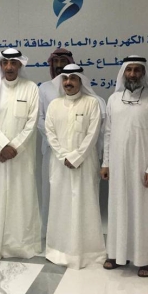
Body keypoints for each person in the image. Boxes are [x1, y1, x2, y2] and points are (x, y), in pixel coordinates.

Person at [101, 55, 148, 277]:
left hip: (142, 166)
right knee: (118, 208)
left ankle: (144, 259)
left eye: (137, 70)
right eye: (129, 70)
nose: (133, 74)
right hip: (118, 166)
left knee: (142, 211)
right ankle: (117, 254)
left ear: (143, 73)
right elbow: (108, 134)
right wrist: (106, 163)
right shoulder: (114, 99)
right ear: (123, 73)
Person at [44, 64, 106, 269]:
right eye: (65, 78)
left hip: (85, 164)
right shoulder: (54, 105)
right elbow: (50, 133)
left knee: (84, 205)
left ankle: (87, 252)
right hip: (60, 164)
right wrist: (64, 157)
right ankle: (58, 250)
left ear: (80, 81)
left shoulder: (92, 103)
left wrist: (77, 157)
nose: (68, 82)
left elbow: (93, 134)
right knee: (60, 205)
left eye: (72, 78)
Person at [0, 48, 41, 261]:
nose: (9, 67)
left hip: (22, 156)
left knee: (22, 198)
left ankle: (22, 246)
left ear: (19, 65)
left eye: (13, 63)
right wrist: (2, 146)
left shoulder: (31, 88)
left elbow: (32, 122)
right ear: (0, 65)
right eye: (5, 63)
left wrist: (13, 147)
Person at [38, 48, 75, 234]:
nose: (59, 66)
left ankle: (71, 231)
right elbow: (39, 118)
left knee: (71, 191)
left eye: (63, 62)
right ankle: (50, 231)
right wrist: (56, 139)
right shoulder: (44, 88)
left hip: (74, 151)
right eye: (56, 62)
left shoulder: (77, 85)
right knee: (51, 189)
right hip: (51, 149)